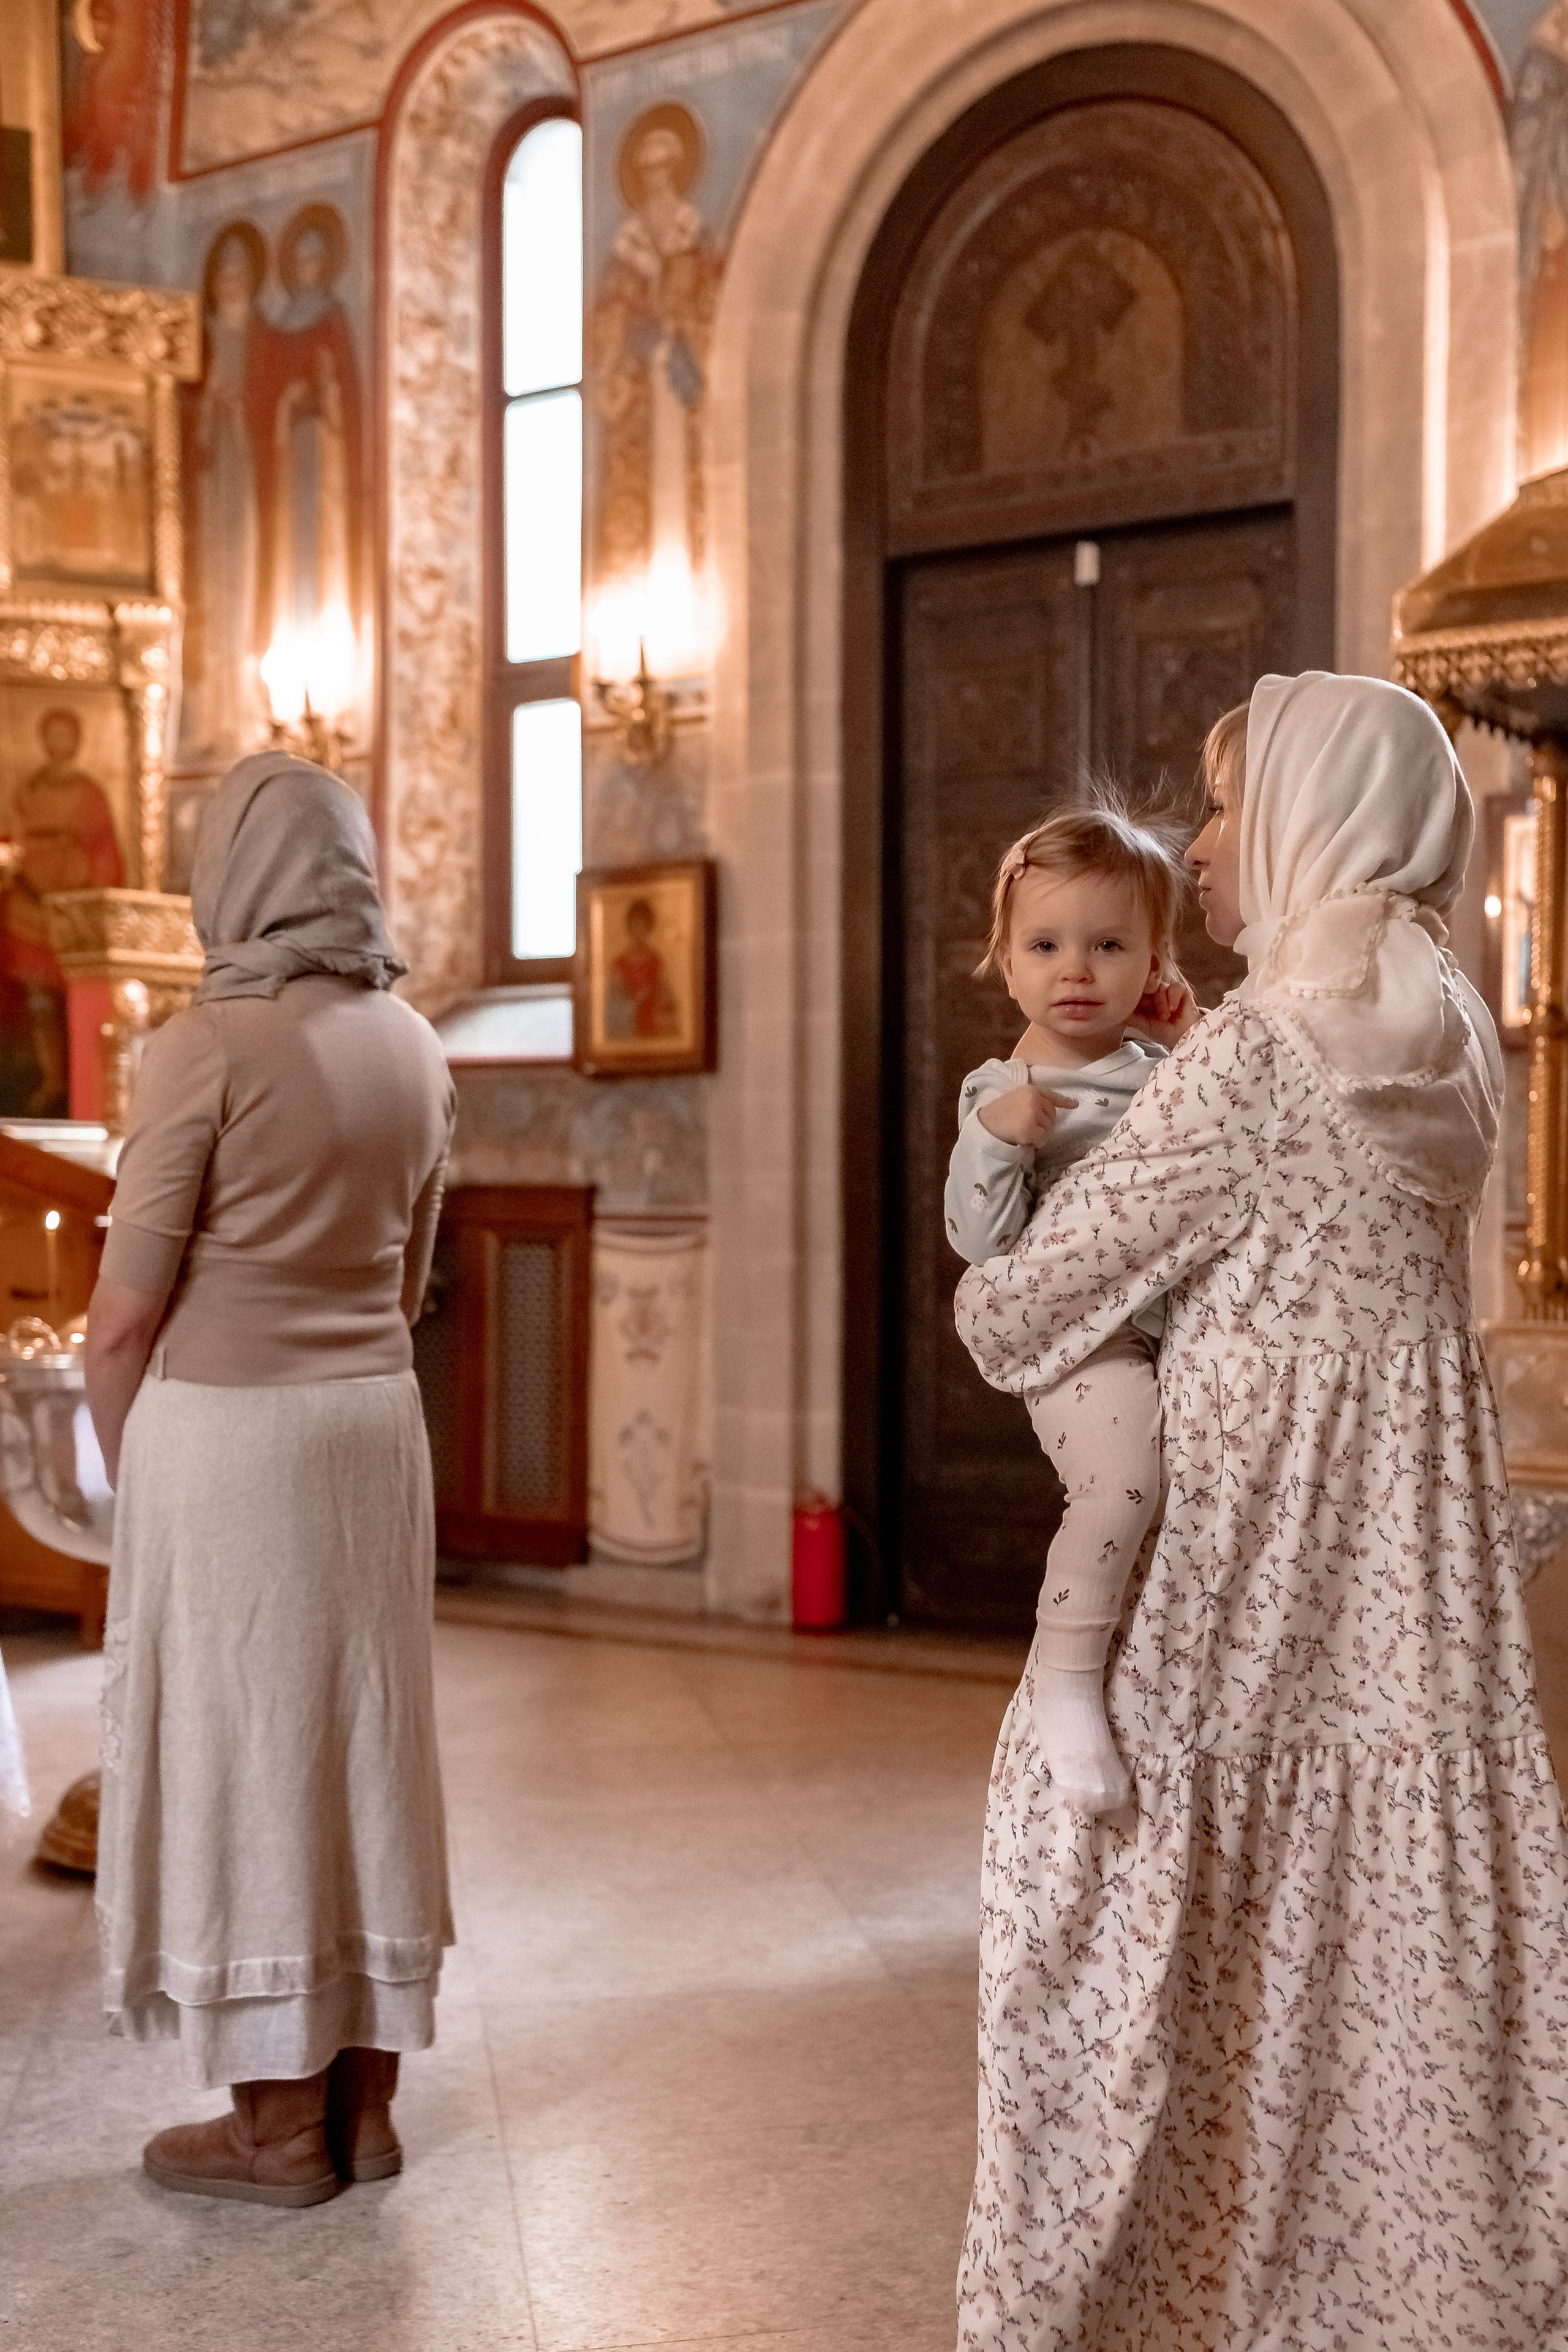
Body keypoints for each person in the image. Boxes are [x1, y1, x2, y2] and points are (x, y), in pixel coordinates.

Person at [953, 673, 1568, 2348]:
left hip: (1254, 1558)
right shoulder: (1443, 1018)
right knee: (1379, 1951)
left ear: (1312, 821)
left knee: (1121, 1924)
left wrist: (1012, 1211)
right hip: (1404, 1567)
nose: (1208, 850)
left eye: (1233, 811)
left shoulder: (1251, 1054)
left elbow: (1015, 1310)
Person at [85, 752, 455, 2209]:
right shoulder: (416, 1044)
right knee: (360, 1746)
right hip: (373, 1427)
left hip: (232, 1436)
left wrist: (137, 1475)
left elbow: (121, 1317)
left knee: (249, 1760)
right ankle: (365, 2110)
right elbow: (412, 1282)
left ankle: (272, 2132)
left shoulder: (211, 1043)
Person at [943, 802, 1196, 1811]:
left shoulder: (1167, 1071)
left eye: (1108, 946)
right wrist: (999, 1143)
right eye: (1045, 945)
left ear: (1153, 959)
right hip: (1081, 1345)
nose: (1076, 970)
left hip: (1176, 1329)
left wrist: (1194, 1032)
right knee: (1125, 1479)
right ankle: (1064, 1680)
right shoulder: (1000, 1090)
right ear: (1005, 962)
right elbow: (976, 1241)